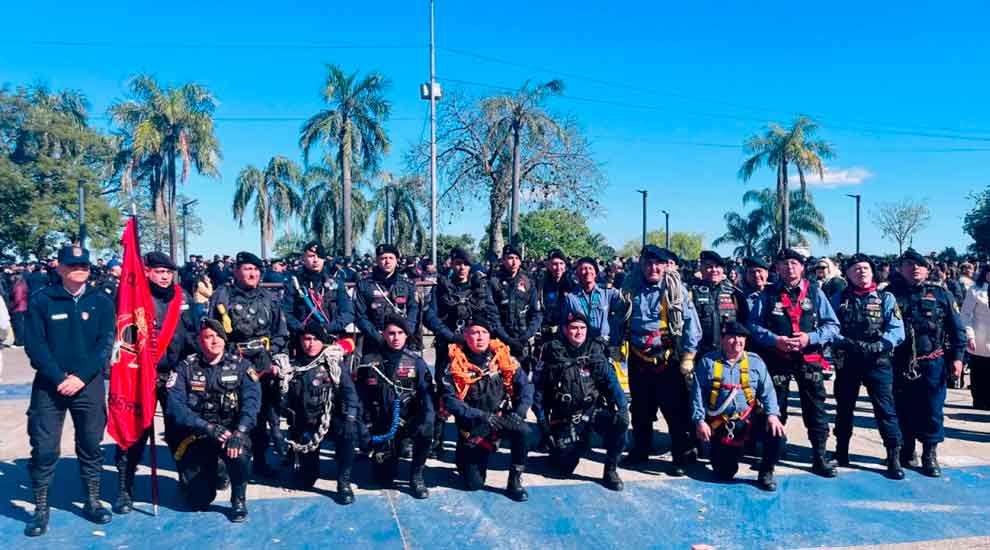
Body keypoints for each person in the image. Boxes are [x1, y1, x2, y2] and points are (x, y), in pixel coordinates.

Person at [23, 245, 115, 536]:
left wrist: (81, 377)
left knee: (91, 445)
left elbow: (105, 343)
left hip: (88, 384)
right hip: (50, 385)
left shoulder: (101, 301)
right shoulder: (42, 300)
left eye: (84, 266)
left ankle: (92, 501)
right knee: (44, 448)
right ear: (60, 268)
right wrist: (58, 376)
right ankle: (40, 509)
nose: (79, 270)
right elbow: (34, 345)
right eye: (73, 265)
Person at [112, 252, 198, 514]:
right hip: (141, 375)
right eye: (160, 271)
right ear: (146, 272)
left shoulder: (183, 298)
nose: (165, 277)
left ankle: (188, 481)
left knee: (180, 430)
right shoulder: (133, 297)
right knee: (134, 432)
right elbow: (120, 333)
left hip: (175, 374)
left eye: (169, 272)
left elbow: (193, 334)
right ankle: (125, 488)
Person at [749, 248, 840, 477]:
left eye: (794, 263)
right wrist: (775, 340)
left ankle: (819, 457)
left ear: (802, 267)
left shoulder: (816, 292)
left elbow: (832, 326)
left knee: (815, 409)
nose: (789, 268)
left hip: (809, 359)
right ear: (777, 268)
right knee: (773, 409)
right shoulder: (767, 294)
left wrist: (811, 338)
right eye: (784, 264)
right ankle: (770, 460)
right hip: (777, 358)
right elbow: (753, 326)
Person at [618, 245, 702, 475]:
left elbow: (691, 325)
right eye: (648, 263)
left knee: (675, 411)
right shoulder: (629, 288)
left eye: (658, 264)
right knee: (640, 410)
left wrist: (688, 356)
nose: (653, 268)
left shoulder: (676, 291)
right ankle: (641, 449)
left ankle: (679, 456)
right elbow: (619, 317)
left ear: (665, 266)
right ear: (641, 265)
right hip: (638, 360)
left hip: (668, 361)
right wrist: (616, 345)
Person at [165, 319, 260, 522]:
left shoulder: (241, 366)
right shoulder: (185, 368)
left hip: (230, 434)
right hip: (198, 435)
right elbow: (175, 407)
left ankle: (238, 499)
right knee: (197, 502)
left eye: (218, 336)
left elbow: (252, 404)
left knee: (239, 454)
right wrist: (206, 427)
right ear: (200, 342)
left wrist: (240, 433)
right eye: (208, 337)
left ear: (225, 340)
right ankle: (212, 472)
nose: (214, 341)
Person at [208, 251, 289, 478]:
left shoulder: (269, 298)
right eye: (247, 269)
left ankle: (261, 462)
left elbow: (281, 333)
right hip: (232, 362)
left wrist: (271, 355)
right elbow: (210, 330)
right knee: (228, 414)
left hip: (262, 363)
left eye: (256, 269)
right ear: (236, 271)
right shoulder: (222, 295)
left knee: (260, 414)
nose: (252, 274)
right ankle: (226, 467)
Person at [889, 249, 967, 476]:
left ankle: (929, 454)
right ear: (900, 269)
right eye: (909, 264)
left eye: (920, 265)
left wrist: (958, 358)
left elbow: (957, 329)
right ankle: (907, 450)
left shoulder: (942, 295)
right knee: (902, 408)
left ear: (927, 269)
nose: (915, 268)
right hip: (899, 362)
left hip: (932, 362)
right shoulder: (890, 294)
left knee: (932, 409)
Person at [830, 254, 906, 479]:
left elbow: (897, 330)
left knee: (885, 410)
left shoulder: (885, 298)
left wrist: (880, 345)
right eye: (855, 269)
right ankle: (841, 451)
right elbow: (829, 326)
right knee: (844, 408)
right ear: (847, 274)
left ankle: (893, 456)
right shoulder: (838, 298)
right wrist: (844, 342)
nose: (861, 271)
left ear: (872, 272)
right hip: (848, 361)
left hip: (877, 362)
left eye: (865, 268)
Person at [533, 311, 628, 491]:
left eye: (582, 328)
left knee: (620, 422)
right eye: (574, 328)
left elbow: (612, 381)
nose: (579, 332)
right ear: (565, 329)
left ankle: (611, 470)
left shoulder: (595, 350)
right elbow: (538, 392)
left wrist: (622, 406)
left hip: (592, 411)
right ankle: (562, 450)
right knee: (563, 468)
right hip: (565, 417)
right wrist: (544, 426)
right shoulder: (553, 352)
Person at [442, 318, 533, 501]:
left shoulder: (502, 358)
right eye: (475, 332)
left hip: (499, 419)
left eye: (484, 333)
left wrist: (520, 411)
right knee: (474, 484)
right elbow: (451, 401)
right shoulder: (455, 364)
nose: (480, 337)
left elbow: (526, 386)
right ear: (466, 335)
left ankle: (514, 482)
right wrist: (481, 416)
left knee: (524, 431)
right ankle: (463, 456)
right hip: (475, 426)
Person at [691, 321, 784, 491]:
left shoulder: (755, 362)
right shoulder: (707, 362)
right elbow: (696, 394)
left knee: (776, 433)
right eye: (732, 337)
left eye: (741, 337)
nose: (738, 341)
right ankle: (721, 451)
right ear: (723, 339)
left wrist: (772, 415)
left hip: (749, 419)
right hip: (721, 424)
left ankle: (766, 472)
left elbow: (768, 391)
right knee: (724, 473)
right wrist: (700, 421)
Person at [275, 320, 359, 502]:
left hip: (331, 420)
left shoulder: (333, 365)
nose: (310, 344)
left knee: (349, 435)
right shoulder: (290, 368)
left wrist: (350, 419)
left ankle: (343, 481)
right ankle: (306, 467)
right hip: (305, 424)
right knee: (306, 481)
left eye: (315, 339)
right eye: (307, 339)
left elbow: (350, 394)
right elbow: (279, 401)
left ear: (322, 341)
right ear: (300, 341)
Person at [424, 246, 494, 457]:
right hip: (447, 346)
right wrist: (451, 336)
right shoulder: (441, 288)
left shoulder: (480, 287)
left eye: (465, 264)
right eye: (458, 263)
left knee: (474, 392)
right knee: (443, 392)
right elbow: (430, 317)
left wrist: (480, 336)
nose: (462, 268)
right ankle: (437, 441)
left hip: (473, 350)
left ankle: (473, 439)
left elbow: (491, 314)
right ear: (452, 265)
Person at [354, 316, 434, 498]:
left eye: (400, 333)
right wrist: (362, 428)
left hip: (408, 421)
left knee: (426, 431)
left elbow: (427, 395)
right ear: (383, 334)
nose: (396, 337)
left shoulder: (416, 362)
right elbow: (359, 397)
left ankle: (416, 475)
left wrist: (428, 420)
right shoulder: (369, 361)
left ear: (406, 335)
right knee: (382, 479)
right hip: (382, 423)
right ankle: (388, 454)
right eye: (391, 333)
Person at [354, 244, 421, 355]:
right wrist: (380, 338)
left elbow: (413, 311)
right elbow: (361, 316)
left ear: (396, 260)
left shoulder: (407, 285)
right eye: (383, 258)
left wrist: (405, 333)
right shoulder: (364, 285)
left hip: (401, 342)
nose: (387, 261)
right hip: (374, 343)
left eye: (391, 258)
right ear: (377, 260)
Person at [281, 241, 354, 338]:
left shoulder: (336, 283)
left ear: (324, 259)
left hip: (331, 335)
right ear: (303, 258)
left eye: (319, 256)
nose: (316, 260)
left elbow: (348, 313)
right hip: (303, 337)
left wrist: (328, 328)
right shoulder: (294, 283)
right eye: (311, 256)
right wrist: (303, 329)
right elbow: (286, 313)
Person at [688, 251, 749, 357]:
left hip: (728, 353)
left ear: (723, 270)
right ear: (701, 268)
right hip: (699, 353)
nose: (714, 270)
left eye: (718, 267)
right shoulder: (691, 293)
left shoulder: (734, 294)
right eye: (709, 267)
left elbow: (744, 324)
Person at [488, 244, 542, 361]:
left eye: (517, 258)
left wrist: (527, 335)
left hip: (523, 339)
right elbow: (492, 315)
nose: (514, 262)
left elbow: (536, 313)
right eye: (510, 258)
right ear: (503, 260)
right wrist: (506, 338)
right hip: (501, 340)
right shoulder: (494, 282)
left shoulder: (528, 282)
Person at [563, 256, 624, 350]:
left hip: (605, 344)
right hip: (583, 347)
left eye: (590, 268)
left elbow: (625, 306)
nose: (588, 271)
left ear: (596, 273)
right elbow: (564, 325)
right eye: (583, 269)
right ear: (577, 274)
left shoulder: (608, 292)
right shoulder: (571, 298)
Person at [962, 265, 990, 410]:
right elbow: (966, 315)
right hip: (980, 338)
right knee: (979, 371)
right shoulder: (974, 291)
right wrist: (970, 336)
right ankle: (979, 400)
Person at [539, 249, 575, 346]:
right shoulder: (541, 283)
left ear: (565, 265)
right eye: (554, 264)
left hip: (567, 334)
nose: (558, 268)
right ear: (548, 265)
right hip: (545, 333)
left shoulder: (572, 283)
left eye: (561, 263)